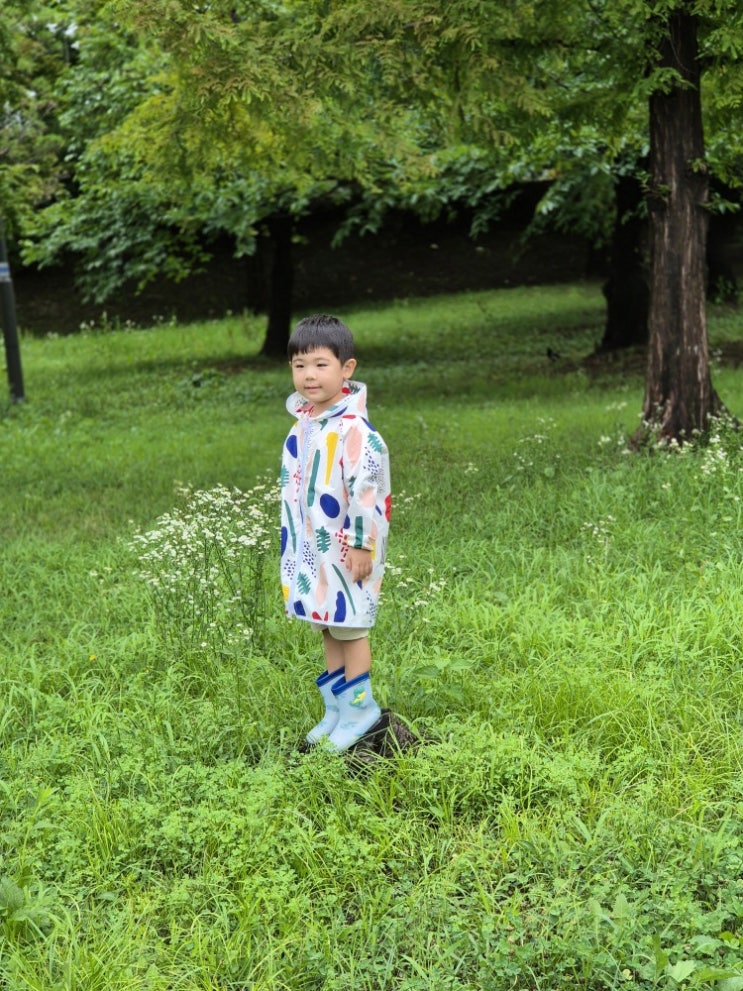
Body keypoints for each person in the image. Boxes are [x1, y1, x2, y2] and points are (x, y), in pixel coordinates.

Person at [280, 314, 391, 752]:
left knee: (351, 626)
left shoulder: (354, 431)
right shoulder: (305, 424)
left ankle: (361, 711)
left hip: (347, 548)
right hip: (314, 549)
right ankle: (337, 709)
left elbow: (367, 490)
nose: (309, 375)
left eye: (320, 364)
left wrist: (362, 543)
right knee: (328, 624)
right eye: (300, 365)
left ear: (347, 368)